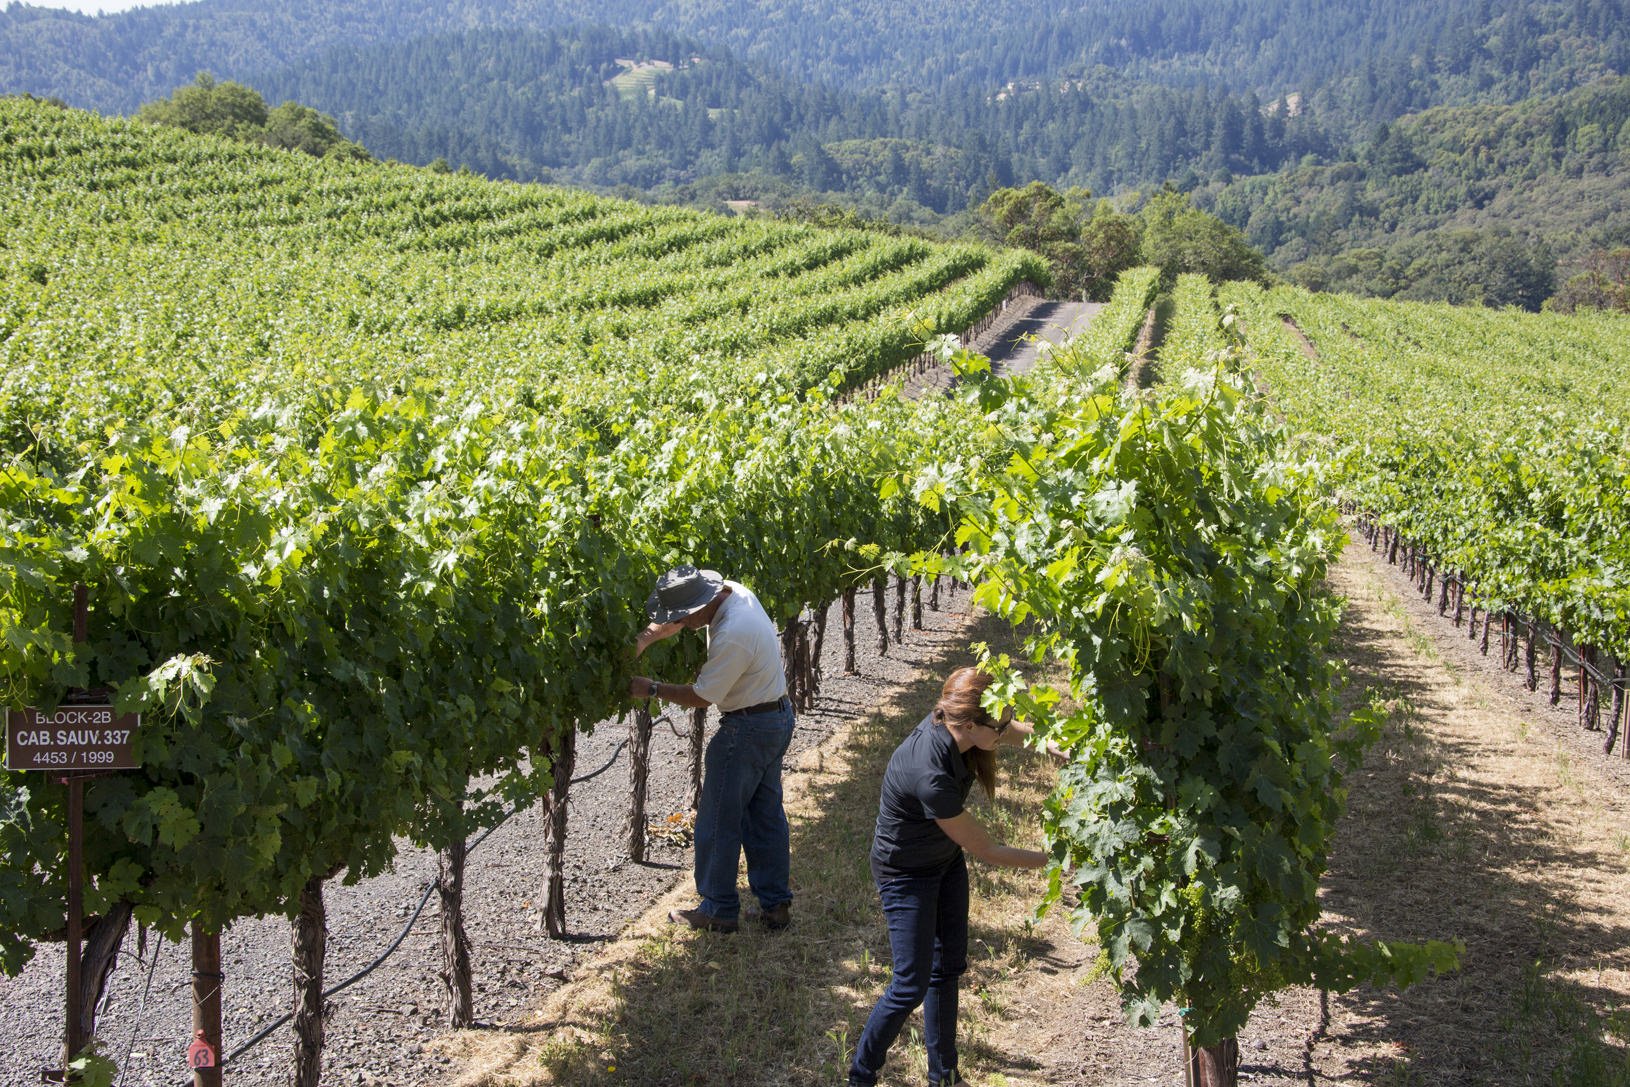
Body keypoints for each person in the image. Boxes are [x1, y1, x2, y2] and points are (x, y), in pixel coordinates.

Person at [849, 666, 1054, 1087]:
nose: (1004, 730)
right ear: (970, 725)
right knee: (910, 984)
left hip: (943, 861)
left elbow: (1009, 730)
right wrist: (1055, 862)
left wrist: (1056, 745)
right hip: (904, 873)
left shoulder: (959, 725)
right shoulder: (930, 774)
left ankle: (944, 1076)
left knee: (947, 967)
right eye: (997, 723)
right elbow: (986, 848)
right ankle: (861, 1075)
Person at [628, 564, 795, 934]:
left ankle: (718, 908)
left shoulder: (734, 633)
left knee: (717, 820)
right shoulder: (733, 593)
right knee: (765, 816)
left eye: (684, 617)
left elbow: (702, 695)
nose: (683, 625)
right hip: (776, 715)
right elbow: (683, 620)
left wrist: (651, 688)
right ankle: (775, 906)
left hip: (748, 729)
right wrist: (647, 637)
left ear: (701, 603)